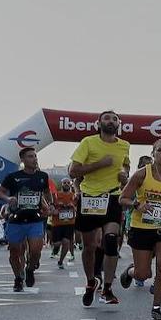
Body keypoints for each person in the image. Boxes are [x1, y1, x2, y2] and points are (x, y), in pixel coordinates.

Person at [118, 139, 161, 320]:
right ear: (153, 154)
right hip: (141, 227)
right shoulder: (142, 174)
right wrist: (136, 204)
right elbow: (123, 198)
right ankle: (131, 272)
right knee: (144, 274)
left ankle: (156, 308)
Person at [69, 110, 131, 306]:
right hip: (89, 197)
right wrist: (100, 164)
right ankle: (90, 282)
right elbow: (73, 171)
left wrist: (124, 174)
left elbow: (126, 167)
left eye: (114, 119)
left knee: (111, 241)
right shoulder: (88, 142)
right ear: (99, 123)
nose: (111, 121)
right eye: (107, 118)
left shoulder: (124, 145)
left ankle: (107, 288)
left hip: (112, 196)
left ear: (118, 124)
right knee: (89, 247)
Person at [0, 148, 52, 292]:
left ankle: (30, 269)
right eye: (30, 156)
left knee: (35, 251)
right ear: (23, 160)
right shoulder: (13, 177)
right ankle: (18, 278)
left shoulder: (42, 176)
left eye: (35, 156)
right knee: (14, 252)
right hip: (16, 220)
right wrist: (8, 199)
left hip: (35, 219)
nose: (34, 159)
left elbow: (45, 193)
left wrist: (48, 206)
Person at [52, 178, 78, 268]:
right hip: (57, 223)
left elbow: (77, 207)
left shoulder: (74, 195)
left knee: (66, 242)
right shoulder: (56, 195)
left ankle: (61, 261)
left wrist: (73, 206)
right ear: (61, 184)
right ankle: (55, 250)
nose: (66, 184)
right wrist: (55, 209)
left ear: (70, 184)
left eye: (68, 183)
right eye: (64, 183)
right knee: (57, 244)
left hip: (69, 223)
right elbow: (52, 206)